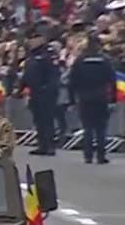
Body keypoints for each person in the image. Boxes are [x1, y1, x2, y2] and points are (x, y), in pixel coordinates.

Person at [68, 34, 116, 164]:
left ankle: (88, 155)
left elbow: (72, 80)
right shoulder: (104, 60)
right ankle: (101, 155)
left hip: (84, 96)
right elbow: (112, 80)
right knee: (101, 128)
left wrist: (72, 98)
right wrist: (113, 98)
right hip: (101, 96)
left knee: (87, 127)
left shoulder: (80, 60)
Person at [20, 27, 60, 155]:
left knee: (47, 119)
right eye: (31, 39)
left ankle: (50, 145)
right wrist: (21, 87)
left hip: (46, 92)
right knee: (38, 119)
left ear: (41, 39)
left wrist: (48, 88)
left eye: (35, 39)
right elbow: (27, 73)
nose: (32, 41)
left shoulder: (48, 53)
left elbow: (54, 74)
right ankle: (42, 145)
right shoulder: (31, 54)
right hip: (34, 91)